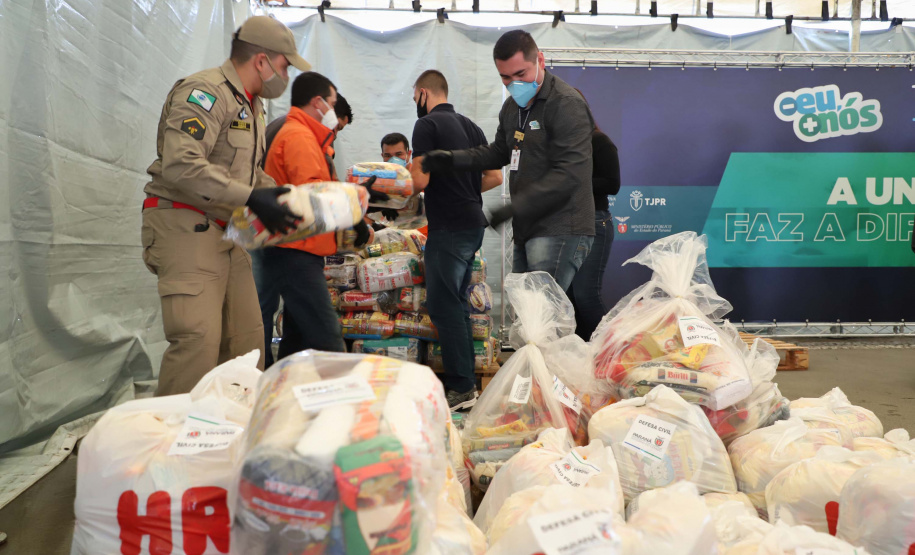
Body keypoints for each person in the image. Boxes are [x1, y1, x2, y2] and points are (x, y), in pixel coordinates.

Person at [142, 16, 309, 396]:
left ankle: (230, 438)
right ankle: (171, 444)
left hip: (227, 232)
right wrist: (251, 198)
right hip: (184, 224)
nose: (286, 77)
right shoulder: (204, 92)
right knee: (197, 343)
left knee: (247, 345)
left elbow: (249, 178)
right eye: (284, 66)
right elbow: (181, 163)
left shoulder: (252, 108)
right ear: (262, 61)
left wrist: (297, 201)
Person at [422, 30, 595, 291]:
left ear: (540, 60)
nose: (514, 84)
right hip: (527, 228)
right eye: (505, 77)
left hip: (560, 226)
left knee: (543, 313)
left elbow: (569, 174)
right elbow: (497, 152)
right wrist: (450, 159)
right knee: (526, 312)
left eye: (521, 74)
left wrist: (515, 206)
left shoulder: (566, 104)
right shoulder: (512, 108)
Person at [258, 72, 374, 365]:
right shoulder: (299, 136)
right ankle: (347, 405)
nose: (334, 115)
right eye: (333, 103)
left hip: (298, 247)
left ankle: (283, 392)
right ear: (318, 103)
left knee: (297, 339)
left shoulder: (307, 136)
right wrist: (355, 206)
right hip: (295, 250)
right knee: (327, 335)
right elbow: (314, 198)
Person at [410, 69, 503, 410]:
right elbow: (494, 176)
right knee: (457, 306)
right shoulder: (472, 127)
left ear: (423, 93)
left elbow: (419, 181)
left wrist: (390, 192)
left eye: (415, 98)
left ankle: (462, 387)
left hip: (447, 227)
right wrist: (460, 190)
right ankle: (466, 386)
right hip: (472, 225)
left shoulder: (427, 126)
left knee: (443, 307)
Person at [568, 89, 621, 340]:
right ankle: (584, 359)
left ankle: (612, 352)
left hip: (595, 222)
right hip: (568, 226)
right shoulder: (564, 147)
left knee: (585, 294)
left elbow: (612, 183)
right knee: (568, 298)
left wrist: (573, 182)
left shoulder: (599, 141)